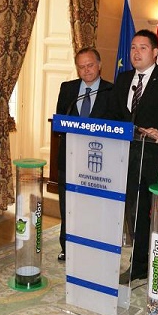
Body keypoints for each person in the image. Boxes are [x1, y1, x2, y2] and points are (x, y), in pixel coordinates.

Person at [106, 29, 158, 281]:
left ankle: (157, 266)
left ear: (154, 52)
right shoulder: (122, 79)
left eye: (142, 47)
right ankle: (139, 264)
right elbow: (112, 115)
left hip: (154, 156)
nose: (135, 52)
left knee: (155, 214)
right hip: (126, 156)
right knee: (135, 212)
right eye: (132, 47)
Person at [55, 47, 112, 261]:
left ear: (99, 65)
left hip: (97, 161)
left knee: (93, 207)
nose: (86, 70)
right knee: (67, 205)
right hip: (69, 158)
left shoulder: (111, 91)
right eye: (81, 67)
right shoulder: (67, 88)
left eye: (90, 65)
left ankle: (93, 246)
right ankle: (67, 247)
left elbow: (116, 125)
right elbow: (60, 119)